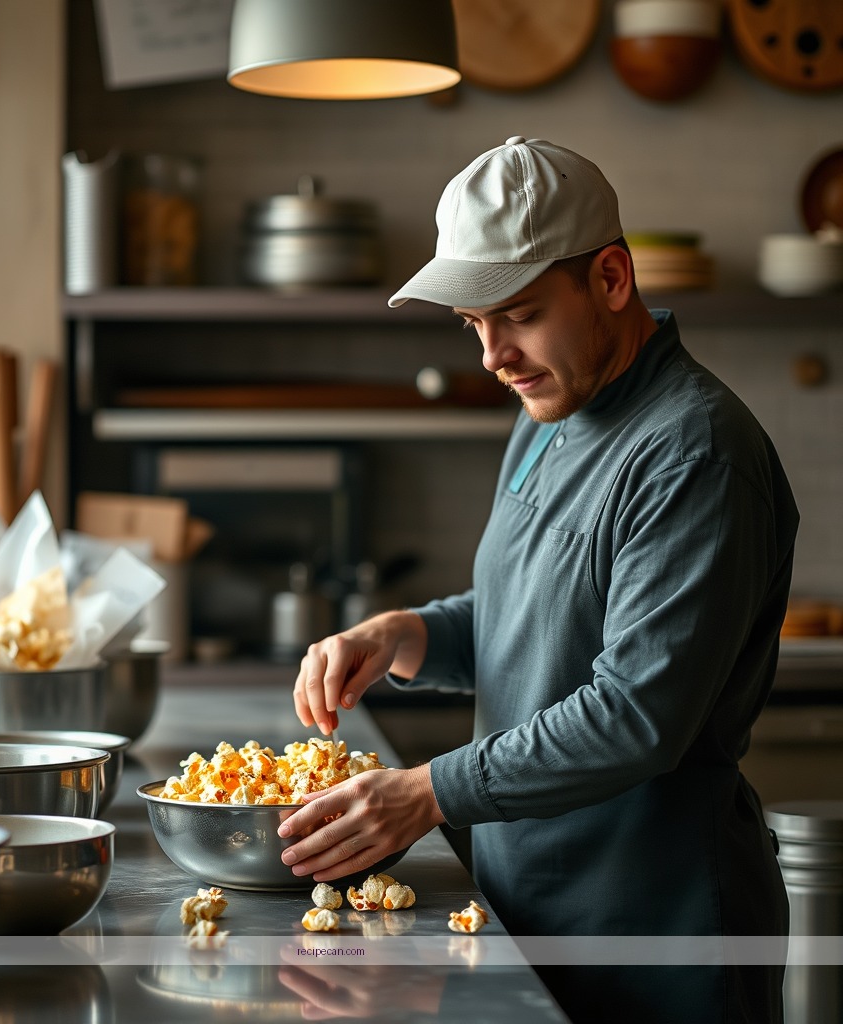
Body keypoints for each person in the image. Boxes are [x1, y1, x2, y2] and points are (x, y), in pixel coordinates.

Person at [276, 136, 798, 1023]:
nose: (493, 356)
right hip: (526, 913)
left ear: (610, 280)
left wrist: (427, 793)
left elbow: (635, 713)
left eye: (515, 314)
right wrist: (407, 635)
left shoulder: (694, 453)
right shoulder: (552, 405)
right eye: (472, 326)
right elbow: (538, 608)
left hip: (655, 934)